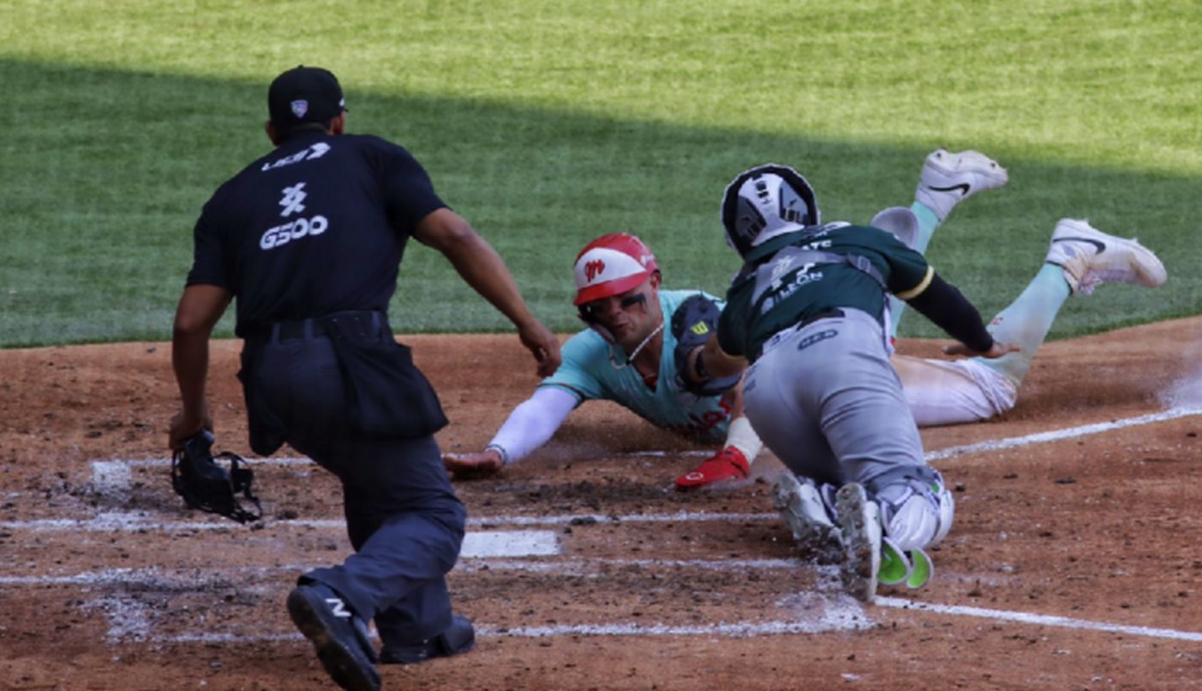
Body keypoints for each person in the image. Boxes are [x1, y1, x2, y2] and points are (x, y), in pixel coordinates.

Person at [443, 149, 1167, 490]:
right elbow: (544, 405)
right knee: (871, 280)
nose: (617, 318)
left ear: (653, 286)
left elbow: (753, 384)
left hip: (822, 367)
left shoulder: (704, 316)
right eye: (599, 311)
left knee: (991, 383)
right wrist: (502, 454)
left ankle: (1067, 258)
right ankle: (935, 197)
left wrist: (734, 454)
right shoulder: (592, 355)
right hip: (831, 328)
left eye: (628, 301)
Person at [168, 65, 561, 691]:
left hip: (271, 378)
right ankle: (341, 594)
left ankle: (419, 628)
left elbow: (192, 325)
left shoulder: (231, 197)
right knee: (434, 516)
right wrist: (529, 323)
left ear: (272, 130)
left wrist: (195, 417)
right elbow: (454, 234)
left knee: (376, 474)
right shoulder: (372, 158)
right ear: (340, 120)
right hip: (348, 359)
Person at [685, 162, 1017, 602]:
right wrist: (982, 342)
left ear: (739, 236)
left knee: (850, 483)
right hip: (838, 353)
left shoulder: (744, 288)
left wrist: (691, 369)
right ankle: (889, 530)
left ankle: (821, 502)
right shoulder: (857, 237)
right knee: (914, 490)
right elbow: (940, 297)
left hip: (766, 391)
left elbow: (719, 359)